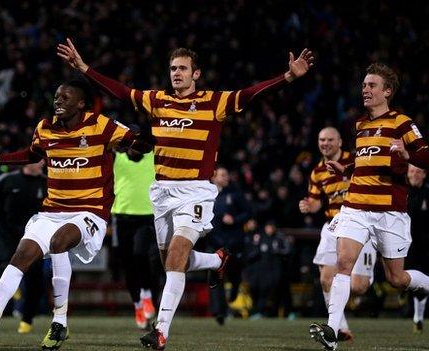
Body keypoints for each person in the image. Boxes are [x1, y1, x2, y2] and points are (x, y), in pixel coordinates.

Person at [57, 38, 314, 349]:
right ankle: (214, 260)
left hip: (195, 192)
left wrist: (287, 77)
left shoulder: (213, 102)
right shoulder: (157, 101)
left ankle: (161, 330)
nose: (176, 73)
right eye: (172, 68)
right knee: (170, 262)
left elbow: (250, 94)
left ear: (196, 74)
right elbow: (122, 92)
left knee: (176, 258)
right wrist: (84, 69)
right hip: (162, 191)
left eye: (182, 68)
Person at [0, 80, 153, 350]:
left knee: (59, 242)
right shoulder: (45, 128)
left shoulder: (101, 125)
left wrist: (145, 138)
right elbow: (30, 155)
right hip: (52, 211)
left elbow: (140, 146)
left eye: (66, 97)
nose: (58, 101)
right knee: (21, 255)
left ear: (81, 103)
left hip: (90, 211)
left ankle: (59, 321)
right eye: (57, 96)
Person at [309, 63, 429, 350]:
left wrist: (407, 152)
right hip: (356, 208)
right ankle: (332, 331)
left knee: (396, 279)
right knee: (343, 263)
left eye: (372, 85)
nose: (365, 89)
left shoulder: (401, 122)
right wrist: (346, 165)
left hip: (389, 212)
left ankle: (424, 285)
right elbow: (364, 158)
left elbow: (425, 155)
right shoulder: (361, 125)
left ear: (387, 91)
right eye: (364, 85)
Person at [298, 127, 376, 341]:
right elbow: (315, 202)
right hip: (333, 223)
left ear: (340, 142)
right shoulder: (317, 172)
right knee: (325, 279)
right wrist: (308, 206)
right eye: (322, 139)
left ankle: (360, 283)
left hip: (360, 222)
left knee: (358, 286)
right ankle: (339, 328)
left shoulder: (355, 161)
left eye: (330, 139)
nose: (325, 143)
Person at [0, 159, 48, 334]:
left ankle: (27, 319)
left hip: (36, 238)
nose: (42, 163)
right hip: (9, 236)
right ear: (27, 161)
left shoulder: (47, 183)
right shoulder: (7, 180)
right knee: (4, 268)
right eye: (38, 159)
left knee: (35, 280)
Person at [111, 142, 159, 329]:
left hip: (145, 217)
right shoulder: (118, 159)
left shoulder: (151, 158)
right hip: (122, 218)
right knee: (128, 265)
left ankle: (147, 295)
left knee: (141, 255)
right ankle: (138, 305)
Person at [208, 165, 251, 325]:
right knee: (215, 275)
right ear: (214, 177)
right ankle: (219, 311)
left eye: (227, 175)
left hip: (233, 242)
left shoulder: (235, 194)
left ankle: (235, 286)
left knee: (234, 271)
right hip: (215, 242)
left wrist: (235, 219)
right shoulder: (207, 194)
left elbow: (248, 212)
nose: (226, 177)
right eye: (223, 175)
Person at [406, 164, 429, 333]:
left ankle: (418, 317)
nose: (414, 174)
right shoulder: (402, 192)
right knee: (406, 280)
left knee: (423, 280)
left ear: (424, 174)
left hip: (426, 245)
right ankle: (416, 316)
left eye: (417, 171)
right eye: (411, 171)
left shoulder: (428, 193)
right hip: (405, 245)